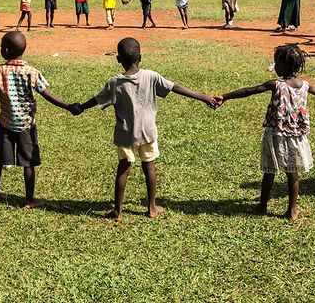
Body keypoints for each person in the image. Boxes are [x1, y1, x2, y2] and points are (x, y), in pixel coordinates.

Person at [69, 37, 219, 221]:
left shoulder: (115, 82)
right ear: (141, 57)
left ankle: (118, 212)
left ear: (118, 59)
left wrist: (80, 107)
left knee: (123, 168)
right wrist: (203, 97)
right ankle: (151, 208)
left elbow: (96, 99)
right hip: (147, 132)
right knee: (149, 166)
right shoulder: (151, 76)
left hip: (125, 134)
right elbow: (175, 87)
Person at [216, 44, 315, 219]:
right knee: (292, 172)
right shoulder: (305, 85)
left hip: (276, 133)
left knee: (269, 171)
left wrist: (225, 96)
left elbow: (248, 91)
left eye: (276, 63)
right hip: (296, 134)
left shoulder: (276, 84)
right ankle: (292, 210)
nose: (275, 67)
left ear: (283, 65)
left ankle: (262, 205)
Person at [0, 31, 73, 208]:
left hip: (5, 124)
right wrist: (68, 106)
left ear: (5, 50)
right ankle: (29, 199)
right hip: (26, 125)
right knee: (28, 163)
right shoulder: (31, 72)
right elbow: (46, 95)